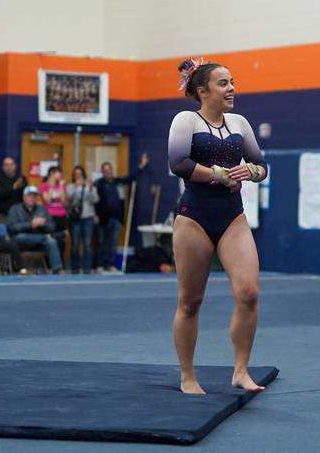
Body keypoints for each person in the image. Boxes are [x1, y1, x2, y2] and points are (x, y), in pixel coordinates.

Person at [167, 59, 269, 394]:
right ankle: (187, 376)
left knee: (249, 293)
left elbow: (260, 163)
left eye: (233, 82)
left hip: (232, 216)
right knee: (190, 302)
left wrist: (251, 173)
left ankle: (241, 369)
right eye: (224, 83)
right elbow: (178, 162)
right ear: (202, 90)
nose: (232, 89)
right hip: (194, 216)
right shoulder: (186, 120)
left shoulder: (240, 122)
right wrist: (217, 173)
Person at [94, 153, 149, 272]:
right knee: (102, 242)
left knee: (113, 243)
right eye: (106, 170)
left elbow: (129, 178)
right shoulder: (99, 184)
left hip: (116, 218)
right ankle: (99, 265)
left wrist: (141, 166)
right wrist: (95, 215)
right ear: (102, 172)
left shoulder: (116, 181)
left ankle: (109, 265)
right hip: (103, 218)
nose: (108, 172)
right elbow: (94, 201)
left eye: (110, 170)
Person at [7, 186, 63, 273]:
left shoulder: (42, 209)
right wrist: (30, 225)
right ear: (24, 196)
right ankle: (45, 238)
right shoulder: (15, 208)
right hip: (22, 240)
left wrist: (43, 224)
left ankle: (57, 269)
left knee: (52, 241)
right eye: (29, 195)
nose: (32, 198)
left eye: (34, 196)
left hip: (38, 240)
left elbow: (52, 226)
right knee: (21, 237)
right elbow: (12, 226)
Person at [66, 166, 99, 272]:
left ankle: (87, 269)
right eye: (76, 174)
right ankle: (75, 268)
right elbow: (68, 198)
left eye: (80, 174)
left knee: (87, 243)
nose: (78, 176)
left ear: (83, 175)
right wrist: (76, 186)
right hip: (75, 218)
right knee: (75, 243)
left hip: (88, 217)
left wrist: (90, 189)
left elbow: (96, 200)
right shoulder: (70, 186)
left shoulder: (90, 186)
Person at [0, 156, 28, 222]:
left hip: (19, 214)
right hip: (3, 215)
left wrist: (20, 187)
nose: (9, 167)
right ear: (3, 167)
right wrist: (13, 188)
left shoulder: (21, 178)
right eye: (6, 165)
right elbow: (0, 194)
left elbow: (26, 195)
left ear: (15, 166)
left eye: (11, 164)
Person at [39, 165, 68, 232]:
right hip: (49, 215)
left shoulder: (62, 185)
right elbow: (48, 202)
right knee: (50, 236)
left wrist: (61, 186)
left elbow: (63, 202)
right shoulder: (44, 185)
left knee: (62, 238)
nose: (61, 174)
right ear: (52, 173)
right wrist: (51, 187)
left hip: (61, 215)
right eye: (59, 172)